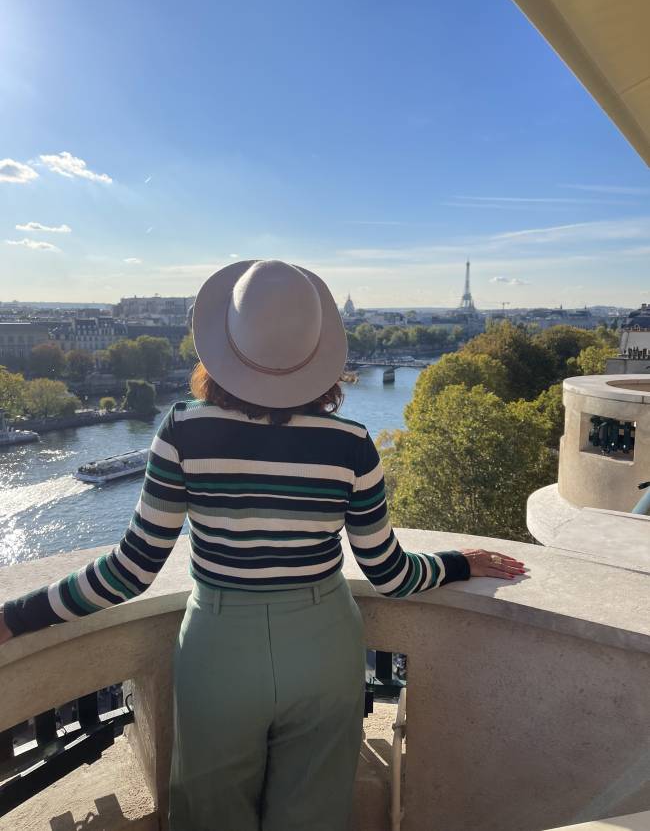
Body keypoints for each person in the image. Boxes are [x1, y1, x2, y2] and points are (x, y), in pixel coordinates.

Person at [0, 260, 525, 831]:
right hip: (324, 645)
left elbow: (129, 571)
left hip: (220, 647)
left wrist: (17, 616)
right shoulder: (352, 445)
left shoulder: (182, 432)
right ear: (318, 354)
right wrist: (459, 563)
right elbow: (390, 573)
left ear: (223, 346)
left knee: (211, 817)